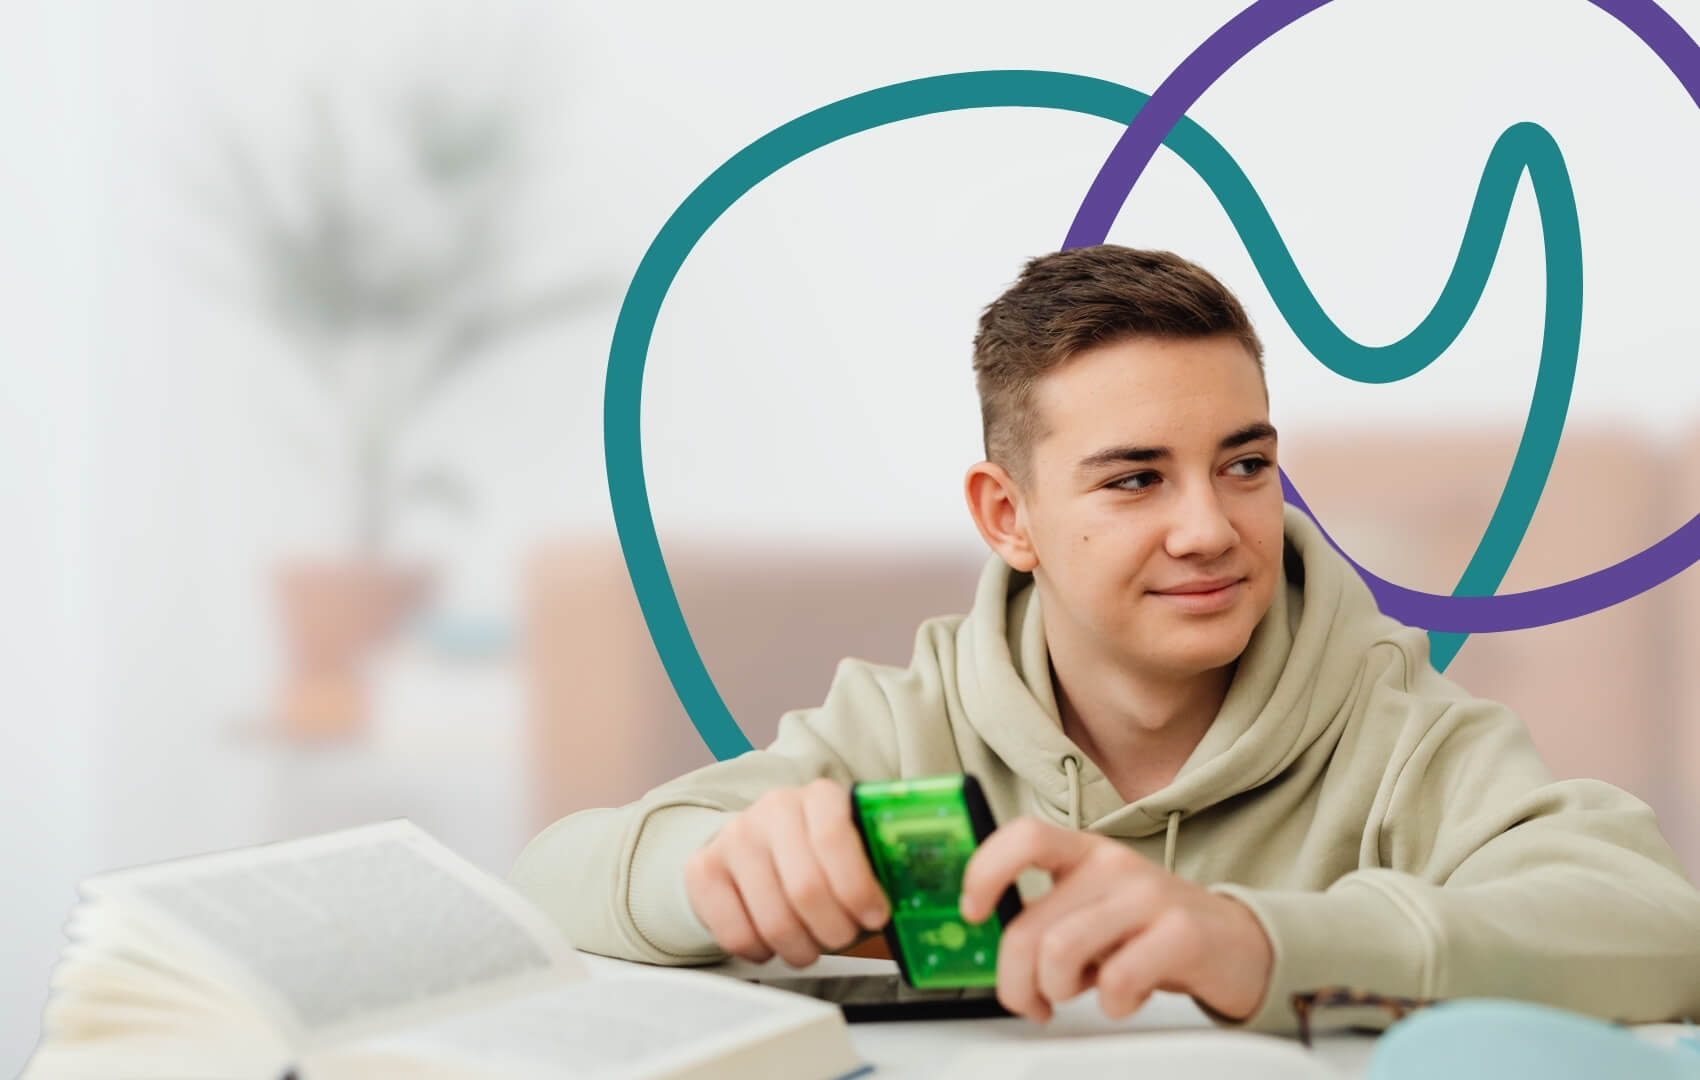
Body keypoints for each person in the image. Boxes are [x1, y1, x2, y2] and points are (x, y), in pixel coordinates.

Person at [509, 245, 1700, 1033]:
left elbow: (1655, 933)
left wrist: (1250, 941)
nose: (1211, 529)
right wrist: (708, 875)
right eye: (1134, 480)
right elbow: (545, 885)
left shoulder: (1399, 732)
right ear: (1006, 517)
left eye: (1243, 463)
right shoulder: (901, 722)